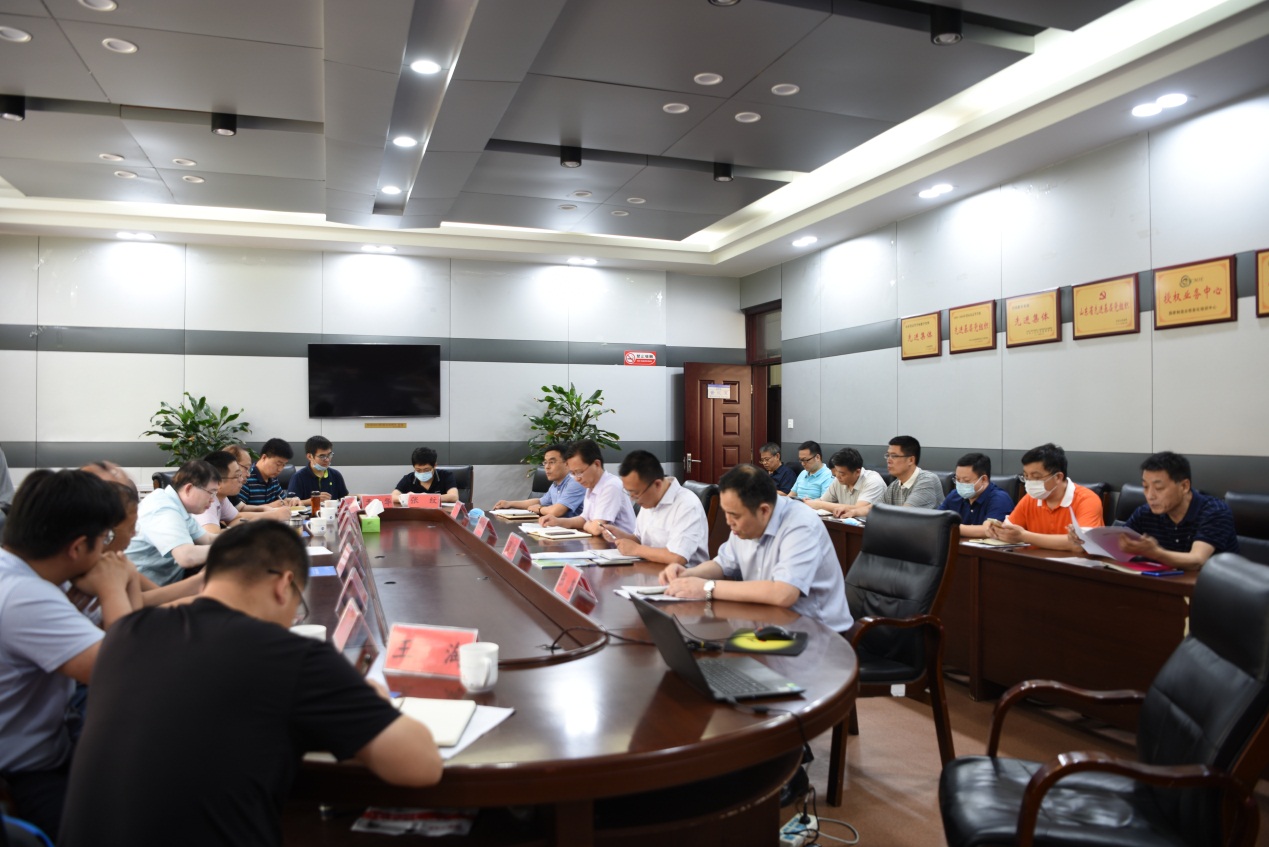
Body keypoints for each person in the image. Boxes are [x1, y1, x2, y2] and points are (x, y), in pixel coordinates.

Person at [58, 521, 442, 847]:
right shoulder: (292, 656)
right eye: (298, 603)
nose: (293, 617)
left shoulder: (126, 633)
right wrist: (373, 698)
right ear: (284, 585)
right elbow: (420, 766)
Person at [0, 470, 130, 839]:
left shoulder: (20, 572)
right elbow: (128, 674)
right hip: (22, 772)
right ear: (76, 548)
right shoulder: (26, 595)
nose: (108, 550)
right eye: (105, 538)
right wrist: (113, 587)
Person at [659, 464, 853, 632]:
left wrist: (707, 588)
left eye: (735, 515)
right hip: (768, 625)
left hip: (818, 633)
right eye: (726, 513)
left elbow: (783, 593)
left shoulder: (800, 524)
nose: (729, 522)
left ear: (764, 511)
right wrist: (687, 574)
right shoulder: (746, 524)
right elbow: (722, 564)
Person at [1070, 451, 1237, 570]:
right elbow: (1117, 544)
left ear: (1184, 486)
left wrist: (1156, 553)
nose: (1150, 496)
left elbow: (1197, 560)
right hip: (1164, 587)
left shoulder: (1214, 511)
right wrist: (1085, 541)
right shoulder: (1145, 512)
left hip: (1214, 595)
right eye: (1145, 487)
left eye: (1159, 488)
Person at [987, 442, 1104, 550]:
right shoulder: (1030, 498)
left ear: (1058, 477)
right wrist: (997, 530)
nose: (1029, 482)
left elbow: (1082, 544)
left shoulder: (1087, 499)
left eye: (1036, 477)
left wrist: (1025, 536)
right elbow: (1009, 530)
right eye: (1026, 476)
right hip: (1035, 561)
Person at [602, 450, 709, 566]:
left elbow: (677, 557)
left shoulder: (687, 505)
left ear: (657, 484)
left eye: (636, 493)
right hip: (651, 568)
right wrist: (619, 534)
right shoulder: (649, 499)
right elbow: (640, 540)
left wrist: (636, 549)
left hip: (684, 574)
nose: (633, 499)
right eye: (629, 493)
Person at [124, 459, 218, 585]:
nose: (212, 500)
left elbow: (207, 539)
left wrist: (240, 536)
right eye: (211, 493)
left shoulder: (178, 506)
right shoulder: (162, 508)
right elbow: (186, 557)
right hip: (145, 590)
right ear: (189, 489)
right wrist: (230, 548)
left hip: (167, 583)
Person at [541, 439, 636, 535]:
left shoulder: (611, 485)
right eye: (573, 473)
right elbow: (584, 519)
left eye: (579, 472)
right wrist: (557, 522)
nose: (577, 479)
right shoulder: (591, 485)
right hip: (603, 541)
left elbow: (597, 529)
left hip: (621, 542)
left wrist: (587, 525)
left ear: (596, 464)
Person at [197, 451, 289, 534]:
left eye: (240, 475)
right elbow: (212, 537)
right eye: (237, 476)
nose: (242, 479)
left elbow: (237, 518)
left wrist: (271, 515)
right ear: (218, 482)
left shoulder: (221, 497)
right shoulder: (207, 502)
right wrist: (273, 515)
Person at [493, 443, 585, 519]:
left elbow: (557, 511)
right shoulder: (556, 484)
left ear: (567, 463)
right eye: (545, 462)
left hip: (578, 532)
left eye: (552, 462)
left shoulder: (575, 482)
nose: (547, 467)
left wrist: (540, 509)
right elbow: (540, 502)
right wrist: (509, 503)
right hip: (560, 527)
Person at [939, 452, 1014, 537]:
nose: (960, 484)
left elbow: (988, 530)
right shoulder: (954, 495)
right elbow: (937, 520)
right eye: (958, 480)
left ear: (983, 479)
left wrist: (950, 527)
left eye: (966, 481)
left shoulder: (1000, 499)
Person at [803, 448, 887, 518]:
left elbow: (859, 509)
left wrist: (820, 504)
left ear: (857, 472)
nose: (837, 476)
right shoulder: (838, 479)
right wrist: (809, 503)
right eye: (836, 471)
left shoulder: (873, 481)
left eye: (842, 473)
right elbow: (822, 500)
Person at [880, 435, 943, 509]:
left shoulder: (927, 480)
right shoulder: (895, 485)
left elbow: (907, 512)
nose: (888, 460)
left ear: (911, 460)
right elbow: (875, 509)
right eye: (888, 455)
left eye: (894, 456)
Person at [238, 438, 301, 508]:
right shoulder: (246, 478)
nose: (280, 469)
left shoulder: (273, 478)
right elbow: (237, 511)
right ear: (264, 457)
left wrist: (292, 500)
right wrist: (269, 506)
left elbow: (283, 500)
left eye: (283, 465)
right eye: (278, 464)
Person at [286, 435, 349, 502]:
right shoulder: (298, 477)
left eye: (329, 455)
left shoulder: (335, 475)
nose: (327, 460)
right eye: (322, 456)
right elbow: (290, 503)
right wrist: (314, 500)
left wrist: (355, 497)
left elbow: (344, 498)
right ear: (309, 456)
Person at [392, 447, 459, 503]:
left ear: (435, 465)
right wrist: (406, 498)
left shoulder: (446, 475)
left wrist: (428, 497)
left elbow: (454, 497)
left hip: (440, 513)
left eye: (426, 470)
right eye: (418, 470)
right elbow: (392, 497)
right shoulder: (408, 478)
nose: (422, 473)